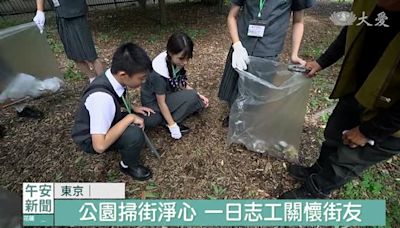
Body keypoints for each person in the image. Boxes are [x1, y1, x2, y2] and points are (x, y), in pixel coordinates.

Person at [279, 0, 400, 198]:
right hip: (358, 89)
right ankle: (317, 170)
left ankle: (314, 193)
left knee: (347, 160)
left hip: (390, 117)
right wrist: (322, 61)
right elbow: (351, 32)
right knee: (333, 134)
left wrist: (368, 131)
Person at [218, 0, 314, 127]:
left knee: (259, 91)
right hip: (242, 45)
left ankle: (250, 121)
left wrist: (294, 54)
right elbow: (232, 16)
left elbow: (298, 21)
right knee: (234, 84)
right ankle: (234, 114)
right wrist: (237, 44)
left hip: (269, 48)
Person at [71, 43, 154, 181]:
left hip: (107, 120)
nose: (144, 81)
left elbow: (118, 94)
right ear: (123, 75)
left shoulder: (112, 76)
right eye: (141, 78)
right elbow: (99, 146)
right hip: (91, 139)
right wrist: (129, 118)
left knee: (148, 117)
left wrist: (132, 107)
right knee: (134, 134)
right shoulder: (102, 99)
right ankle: (128, 165)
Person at [140, 32, 209, 140]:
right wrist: (172, 125)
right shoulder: (158, 74)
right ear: (171, 53)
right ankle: (168, 121)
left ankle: (168, 117)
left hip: (168, 94)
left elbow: (180, 82)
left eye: (188, 58)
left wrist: (199, 95)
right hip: (153, 103)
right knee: (192, 97)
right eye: (182, 59)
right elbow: (161, 103)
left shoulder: (174, 61)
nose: (185, 62)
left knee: (196, 98)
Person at [33, 0, 103, 82]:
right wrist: (40, 11)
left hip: (75, 12)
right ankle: (92, 78)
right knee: (73, 54)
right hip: (61, 14)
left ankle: (104, 82)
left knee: (90, 54)